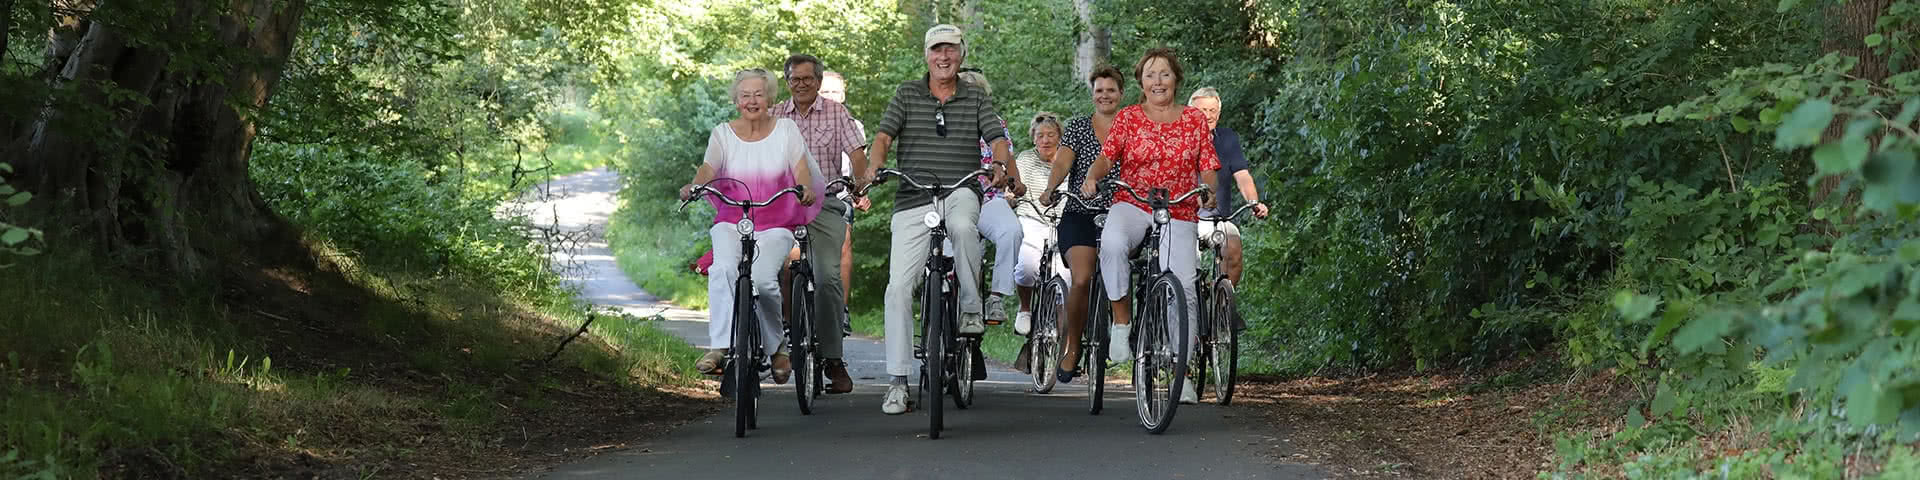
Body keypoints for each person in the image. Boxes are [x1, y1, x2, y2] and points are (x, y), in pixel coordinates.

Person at [855, 24, 1020, 415]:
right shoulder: (906, 93)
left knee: (965, 227)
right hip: (913, 197)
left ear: (961, 55)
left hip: (960, 188)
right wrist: (874, 169)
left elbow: (997, 137)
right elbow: (882, 138)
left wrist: (999, 163)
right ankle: (897, 383)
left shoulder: (975, 97)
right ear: (926, 55)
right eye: (936, 50)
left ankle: (969, 305)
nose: (944, 57)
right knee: (896, 289)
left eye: (951, 50)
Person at [1081, 48, 1220, 404]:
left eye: (1164, 74)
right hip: (1132, 202)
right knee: (1111, 244)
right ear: (1141, 83)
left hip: (1179, 206)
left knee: (1185, 288)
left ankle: (1181, 371)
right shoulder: (1128, 118)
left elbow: (1208, 167)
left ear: (1176, 79)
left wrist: (1208, 192)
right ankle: (1122, 322)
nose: (1157, 81)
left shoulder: (1193, 120)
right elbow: (1107, 157)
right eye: (1150, 75)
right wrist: (1092, 178)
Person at [681, 68, 822, 384]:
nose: (752, 100)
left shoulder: (786, 130)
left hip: (776, 221)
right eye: (745, 95)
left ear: (770, 98)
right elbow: (708, 167)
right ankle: (720, 346)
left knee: (764, 279)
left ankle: (777, 348)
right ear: (736, 100)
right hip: (733, 220)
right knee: (723, 270)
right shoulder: (722, 133)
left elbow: (800, 168)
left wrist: (804, 187)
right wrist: (695, 185)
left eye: (759, 94)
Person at [771, 54, 865, 394]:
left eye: (808, 79)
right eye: (795, 79)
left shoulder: (837, 112)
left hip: (825, 203)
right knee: (774, 268)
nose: (801, 84)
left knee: (827, 278)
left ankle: (833, 359)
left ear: (819, 81)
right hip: (782, 206)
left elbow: (857, 153)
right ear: (787, 82)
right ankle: (776, 342)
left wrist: (860, 180)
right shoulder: (775, 114)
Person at [1038, 65, 1126, 384]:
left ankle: (1133, 334)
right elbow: (1063, 161)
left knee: (1140, 271)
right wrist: (1050, 188)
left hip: (1123, 211)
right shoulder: (1077, 127)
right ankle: (1073, 345)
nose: (1105, 95)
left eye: (1111, 90)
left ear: (1121, 94)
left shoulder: (1132, 125)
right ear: (1093, 94)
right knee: (1082, 277)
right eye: (1099, 90)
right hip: (1081, 210)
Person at [1186, 88, 1269, 294]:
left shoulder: (1227, 138)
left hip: (1218, 218)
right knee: (1188, 271)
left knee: (1232, 248)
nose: (1209, 115)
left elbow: (1242, 176)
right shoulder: (1179, 139)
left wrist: (1253, 202)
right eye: (1203, 109)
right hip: (1185, 218)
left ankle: (1222, 306)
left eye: (1213, 110)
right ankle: (1190, 308)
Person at [958, 69, 1024, 329]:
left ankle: (996, 296)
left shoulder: (995, 122)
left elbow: (1008, 156)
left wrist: (1016, 182)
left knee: (1012, 231)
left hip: (988, 197)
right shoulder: (942, 121)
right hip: (953, 196)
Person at [820, 70, 866, 336]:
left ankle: (841, 309)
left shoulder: (853, 124)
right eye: (825, 92)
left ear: (844, 94)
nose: (831, 97)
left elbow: (859, 166)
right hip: (803, 195)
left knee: (844, 241)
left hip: (840, 194)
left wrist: (861, 190)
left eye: (835, 92)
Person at [1012, 111, 1066, 335]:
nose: (1045, 140)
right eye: (1040, 135)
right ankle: (1025, 308)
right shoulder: (1025, 158)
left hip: (1062, 221)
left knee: (1067, 275)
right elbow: (1015, 185)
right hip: (1031, 217)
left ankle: (1064, 334)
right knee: (1027, 266)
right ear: (1033, 138)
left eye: (1051, 135)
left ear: (1059, 137)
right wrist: (1011, 195)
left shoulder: (1067, 159)